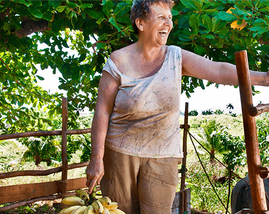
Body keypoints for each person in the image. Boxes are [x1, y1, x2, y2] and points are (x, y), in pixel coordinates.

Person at [85, 0, 269, 213]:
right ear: (141, 23)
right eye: (161, 17)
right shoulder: (118, 60)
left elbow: (218, 70)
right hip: (119, 153)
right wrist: (97, 159)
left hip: (163, 156)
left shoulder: (175, 56)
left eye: (170, 18)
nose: (169, 24)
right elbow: (102, 111)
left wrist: (264, 78)